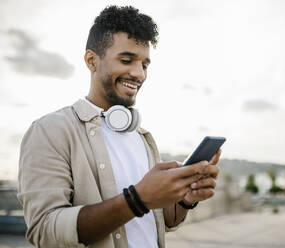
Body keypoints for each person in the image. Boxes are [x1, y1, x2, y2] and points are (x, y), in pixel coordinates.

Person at [18, 5, 221, 248]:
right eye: (127, 60)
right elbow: (44, 231)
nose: (139, 74)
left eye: (145, 65)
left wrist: (185, 200)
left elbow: (158, 221)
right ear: (91, 60)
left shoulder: (143, 137)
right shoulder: (50, 130)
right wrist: (138, 199)